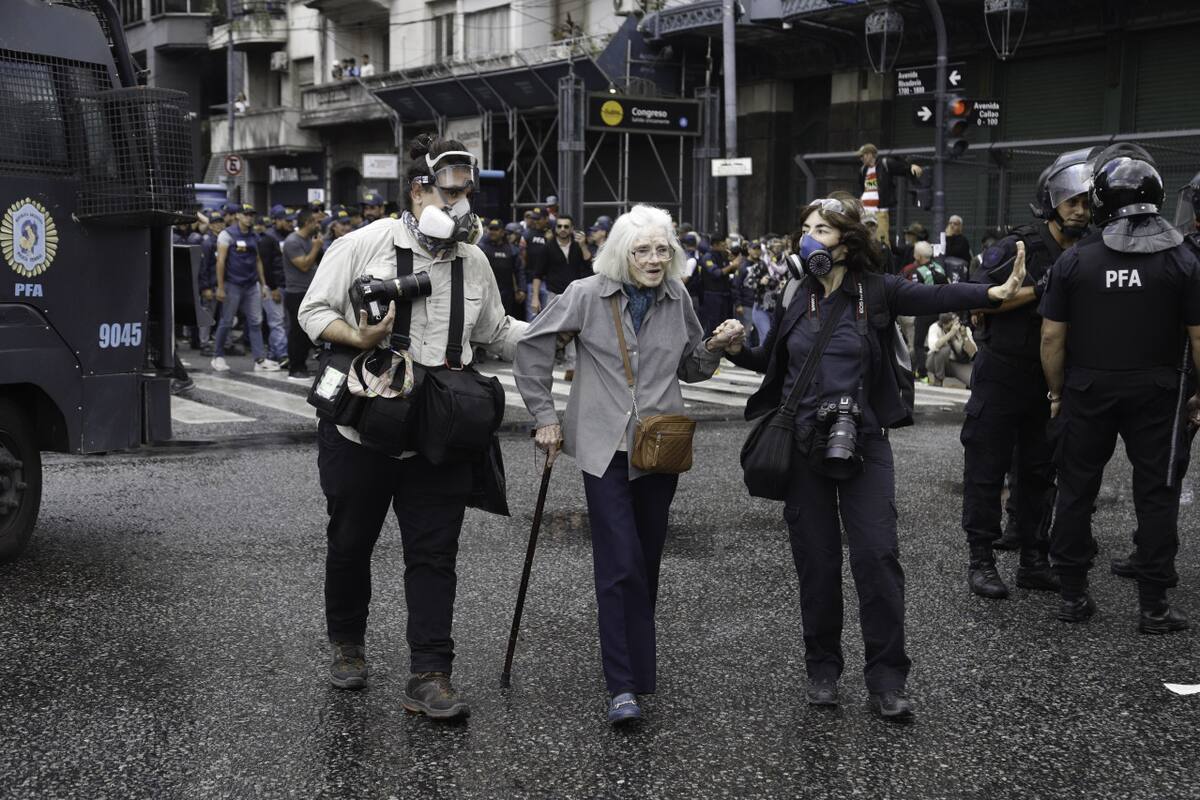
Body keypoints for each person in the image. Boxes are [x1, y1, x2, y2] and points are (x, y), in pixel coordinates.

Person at [729, 193, 1024, 723]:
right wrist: (734, 349)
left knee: (877, 559)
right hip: (800, 447)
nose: (809, 237)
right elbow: (771, 362)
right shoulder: (795, 292)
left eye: (822, 229)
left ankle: (887, 678)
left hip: (863, 442)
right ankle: (822, 668)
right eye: (807, 227)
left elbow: (935, 295)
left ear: (847, 240)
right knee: (816, 564)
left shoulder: (877, 291)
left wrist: (994, 293)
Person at [298, 134, 526, 717]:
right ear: (418, 191)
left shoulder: (475, 261)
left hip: (439, 432)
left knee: (434, 553)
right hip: (363, 427)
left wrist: (566, 327)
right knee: (351, 543)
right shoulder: (363, 244)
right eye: (448, 194)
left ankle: (430, 674)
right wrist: (361, 338)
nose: (460, 206)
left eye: (467, 194)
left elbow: (496, 332)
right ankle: (348, 646)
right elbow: (313, 313)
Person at [515, 204, 745, 725]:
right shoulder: (586, 294)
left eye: (663, 249)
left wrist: (716, 345)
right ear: (622, 253)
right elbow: (532, 346)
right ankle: (621, 685)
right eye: (643, 250)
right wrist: (545, 417)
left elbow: (691, 366)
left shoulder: (676, 295)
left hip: (659, 447)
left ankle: (640, 672)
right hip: (604, 447)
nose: (654, 258)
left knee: (645, 561)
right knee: (619, 563)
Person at [1040, 144, 1200, 631]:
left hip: (1088, 388)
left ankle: (1072, 596)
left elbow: (1051, 336)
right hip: (1159, 391)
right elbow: (1199, 337)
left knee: (1075, 489)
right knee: (1157, 493)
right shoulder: (1183, 260)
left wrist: (1056, 391)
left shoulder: (1075, 261)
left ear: (1102, 200)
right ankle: (1153, 606)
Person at [960, 148, 1097, 599]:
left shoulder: (1094, 249)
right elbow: (976, 299)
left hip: (1052, 381)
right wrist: (1042, 289)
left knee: (1041, 471)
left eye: (1086, 202)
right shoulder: (1021, 245)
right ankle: (981, 560)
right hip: (1003, 373)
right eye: (1072, 201)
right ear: (1053, 202)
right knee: (986, 467)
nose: (1080, 209)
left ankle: (1034, 559)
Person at [212, 203, 278, 373]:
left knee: (256, 322)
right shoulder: (226, 235)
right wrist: (220, 287)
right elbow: (220, 262)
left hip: (251, 285)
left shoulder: (254, 236)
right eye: (246, 214)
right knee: (226, 321)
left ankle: (259, 359)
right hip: (232, 284)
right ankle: (217, 356)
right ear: (238, 216)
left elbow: (257, 261)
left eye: (251, 214)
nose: (249, 217)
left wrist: (263, 285)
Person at [281, 207, 324, 381]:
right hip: (296, 292)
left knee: (307, 332)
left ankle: (303, 365)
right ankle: (295, 367)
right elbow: (304, 265)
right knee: (297, 332)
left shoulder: (310, 240)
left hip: (310, 291)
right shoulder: (292, 241)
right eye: (315, 221)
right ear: (307, 223)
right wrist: (316, 248)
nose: (318, 225)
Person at [857, 144, 923, 244]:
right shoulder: (863, 170)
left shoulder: (884, 164)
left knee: (881, 239)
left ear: (870, 154)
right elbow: (863, 188)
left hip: (879, 211)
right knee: (864, 239)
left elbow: (901, 168)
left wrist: (911, 167)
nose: (861, 158)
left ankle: (884, 258)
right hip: (865, 211)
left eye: (863, 155)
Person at [902, 241, 948, 380]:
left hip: (924, 311)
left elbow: (914, 293)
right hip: (939, 310)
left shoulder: (918, 271)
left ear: (919, 256)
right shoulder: (940, 268)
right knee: (935, 341)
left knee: (918, 344)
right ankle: (935, 372)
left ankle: (922, 374)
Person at [259, 205, 294, 367]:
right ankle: (283, 355)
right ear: (276, 220)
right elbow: (265, 266)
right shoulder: (268, 238)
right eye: (286, 220)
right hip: (274, 286)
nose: (289, 223)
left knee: (284, 322)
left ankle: (273, 355)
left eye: (291, 220)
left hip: (286, 284)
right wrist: (272, 288)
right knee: (277, 322)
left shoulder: (290, 236)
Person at [478, 218, 525, 319]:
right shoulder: (482, 248)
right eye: (491, 229)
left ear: (503, 232)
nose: (492, 232)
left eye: (496, 229)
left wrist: (521, 289)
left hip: (507, 293)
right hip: (486, 292)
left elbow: (519, 271)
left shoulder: (512, 250)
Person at [698, 232, 737, 336]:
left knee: (725, 324)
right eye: (723, 245)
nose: (725, 247)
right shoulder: (708, 257)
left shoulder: (723, 255)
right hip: (713, 296)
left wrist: (732, 262)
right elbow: (716, 273)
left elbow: (729, 271)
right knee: (712, 326)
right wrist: (732, 265)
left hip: (725, 296)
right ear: (715, 245)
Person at [925, 312, 976, 387]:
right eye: (951, 324)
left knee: (973, 381)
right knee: (945, 349)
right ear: (944, 325)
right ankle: (938, 378)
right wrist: (951, 333)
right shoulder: (935, 327)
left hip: (956, 364)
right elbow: (933, 347)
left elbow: (973, 353)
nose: (955, 326)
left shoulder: (963, 329)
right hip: (934, 363)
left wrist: (965, 337)